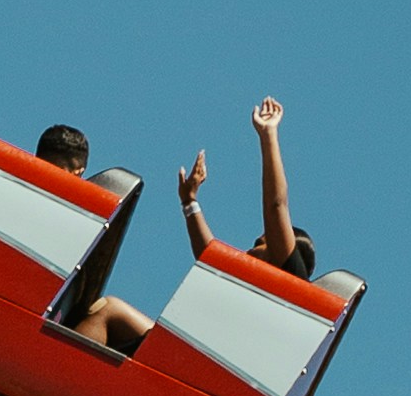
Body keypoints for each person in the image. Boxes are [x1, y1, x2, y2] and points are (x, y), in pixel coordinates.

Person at [30, 123, 155, 354]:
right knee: (110, 310)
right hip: (36, 337)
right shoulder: (32, 211)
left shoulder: (72, 222)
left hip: (52, 325)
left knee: (110, 308)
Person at [179, 97, 316, 281]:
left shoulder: (290, 275)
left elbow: (276, 206)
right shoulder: (248, 285)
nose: (249, 251)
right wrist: (189, 201)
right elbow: (209, 256)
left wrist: (268, 134)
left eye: (260, 244)